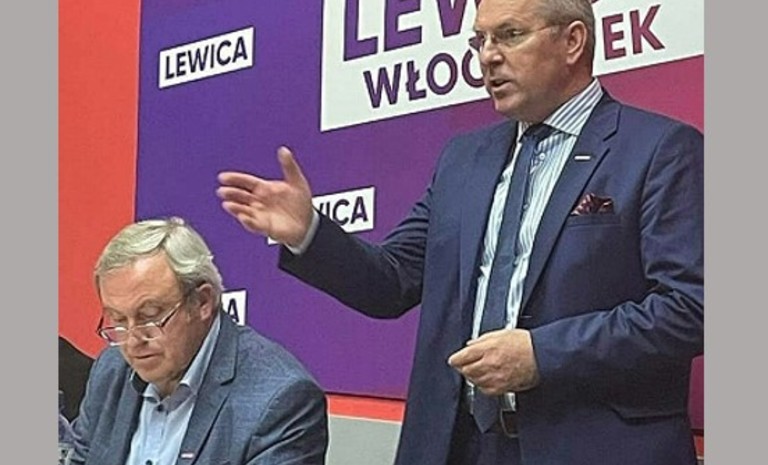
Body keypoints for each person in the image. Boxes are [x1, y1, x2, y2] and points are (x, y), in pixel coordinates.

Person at [216, 0, 703, 463]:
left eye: (509, 35)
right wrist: (309, 233)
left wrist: (542, 354)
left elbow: (692, 308)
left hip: (593, 447)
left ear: (573, 41)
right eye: (479, 41)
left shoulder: (660, 150)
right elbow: (391, 282)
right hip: (462, 446)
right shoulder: (464, 159)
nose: (488, 56)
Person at [69, 217, 328, 465]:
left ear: (203, 302)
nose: (133, 340)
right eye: (118, 320)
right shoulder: (111, 369)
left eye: (150, 316)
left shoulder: (279, 399)